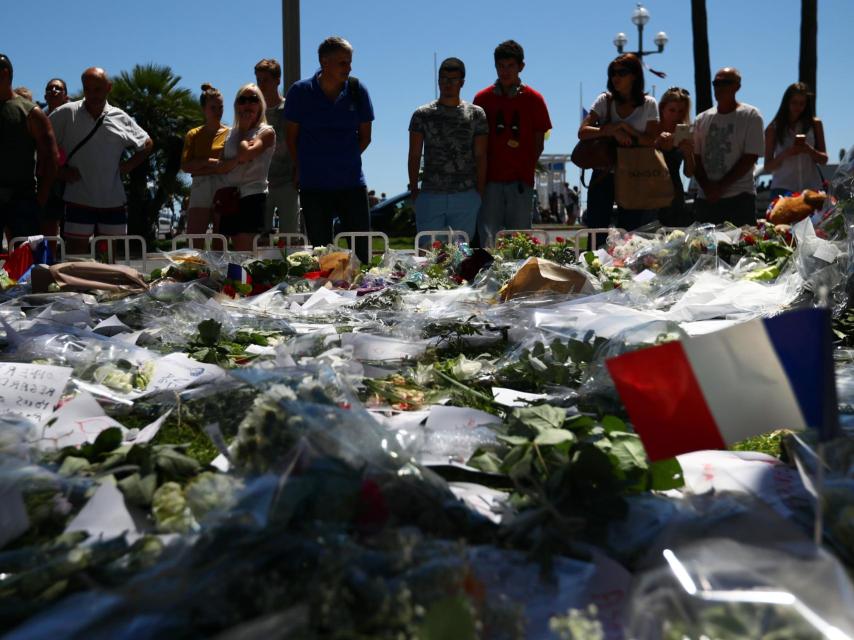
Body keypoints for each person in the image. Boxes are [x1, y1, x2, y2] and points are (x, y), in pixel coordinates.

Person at [285, 36, 374, 263]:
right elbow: (291, 138)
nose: (349, 67)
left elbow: (365, 137)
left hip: (352, 183)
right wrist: (303, 167)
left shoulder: (357, 90)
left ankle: (364, 294)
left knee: (362, 252)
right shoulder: (300, 92)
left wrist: (343, 158)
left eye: (350, 62)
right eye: (343, 62)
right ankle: (326, 296)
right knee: (322, 254)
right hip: (314, 185)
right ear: (325, 62)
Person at [50, 67, 153, 253]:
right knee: (76, 260)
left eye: (97, 89)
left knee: (109, 261)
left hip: (112, 201)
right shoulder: (66, 113)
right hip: (78, 199)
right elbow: (42, 141)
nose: (92, 94)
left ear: (108, 88)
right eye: (87, 89)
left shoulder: (119, 117)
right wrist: (59, 171)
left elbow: (147, 143)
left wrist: (127, 167)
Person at [474, 40, 551, 246]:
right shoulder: (482, 99)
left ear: (521, 67)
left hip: (520, 182)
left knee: (520, 240)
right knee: (488, 238)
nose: (505, 71)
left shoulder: (534, 99)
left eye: (510, 66)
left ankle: (520, 277)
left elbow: (539, 143)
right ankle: (487, 276)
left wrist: (524, 168)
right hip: (489, 182)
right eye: (501, 66)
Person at [578, 53, 660, 237]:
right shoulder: (604, 101)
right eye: (612, 73)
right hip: (603, 172)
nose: (616, 77)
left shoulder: (649, 104)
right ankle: (595, 264)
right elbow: (582, 132)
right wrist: (612, 130)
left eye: (622, 73)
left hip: (634, 173)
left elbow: (651, 140)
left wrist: (628, 131)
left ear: (635, 75)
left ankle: (626, 265)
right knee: (597, 230)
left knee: (630, 232)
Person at [408, 57, 487, 243]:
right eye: (443, 79)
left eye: (452, 79)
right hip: (430, 194)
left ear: (462, 82)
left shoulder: (476, 114)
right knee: (428, 255)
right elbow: (414, 154)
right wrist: (414, 190)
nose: (447, 84)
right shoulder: (422, 114)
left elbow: (481, 155)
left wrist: (479, 192)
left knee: (461, 256)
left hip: (465, 195)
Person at [693, 68, 764, 226]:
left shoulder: (751, 116)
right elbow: (695, 158)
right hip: (706, 199)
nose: (720, 87)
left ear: (737, 86)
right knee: (703, 249)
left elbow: (750, 157)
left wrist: (720, 188)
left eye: (726, 82)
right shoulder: (701, 119)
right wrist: (708, 188)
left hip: (739, 199)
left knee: (741, 248)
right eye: (716, 83)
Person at [0, 54, 58, 242]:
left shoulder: (30, 112)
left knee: (26, 264)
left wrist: (41, 197)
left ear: (4, 73)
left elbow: (50, 157)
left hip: (22, 199)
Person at [216, 84, 276, 252]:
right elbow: (219, 167)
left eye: (253, 99)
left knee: (245, 251)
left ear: (261, 105)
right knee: (225, 249)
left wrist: (244, 130)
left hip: (252, 196)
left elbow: (246, 154)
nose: (247, 104)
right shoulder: (230, 133)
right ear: (236, 105)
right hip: (230, 196)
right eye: (242, 100)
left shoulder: (266, 132)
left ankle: (247, 279)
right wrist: (237, 160)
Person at [255, 58, 299, 234]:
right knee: (259, 238)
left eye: (266, 80)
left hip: (287, 181)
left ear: (277, 80)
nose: (261, 84)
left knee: (290, 236)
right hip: (260, 183)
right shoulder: (255, 110)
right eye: (258, 80)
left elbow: (298, 141)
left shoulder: (290, 108)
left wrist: (298, 170)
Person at [764, 82, 828, 198]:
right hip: (782, 189)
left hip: (812, 188)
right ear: (786, 103)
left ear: (806, 104)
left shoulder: (815, 124)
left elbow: (824, 159)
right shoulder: (773, 128)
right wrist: (787, 153)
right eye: (794, 103)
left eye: (802, 103)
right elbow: (768, 167)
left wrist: (809, 150)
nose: (798, 107)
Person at [181, 83, 229, 234]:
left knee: (220, 238)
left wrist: (200, 165)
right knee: (195, 238)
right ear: (204, 109)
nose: (218, 111)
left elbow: (231, 164)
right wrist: (210, 162)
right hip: (200, 185)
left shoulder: (231, 133)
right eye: (213, 108)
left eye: (220, 107)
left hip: (223, 184)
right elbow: (185, 166)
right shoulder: (193, 134)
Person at [655, 87, 696, 227]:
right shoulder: (652, 129)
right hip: (650, 188)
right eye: (672, 110)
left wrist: (688, 152)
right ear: (662, 108)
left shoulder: (684, 131)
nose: (676, 115)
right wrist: (655, 144)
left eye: (681, 111)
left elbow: (688, 173)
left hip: (674, 192)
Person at [41, 78, 71, 237]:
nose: (53, 90)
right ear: (45, 96)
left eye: (58, 88)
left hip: (72, 182)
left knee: (72, 234)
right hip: (47, 183)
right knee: (48, 230)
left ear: (66, 97)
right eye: (49, 88)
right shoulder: (37, 117)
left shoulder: (76, 118)